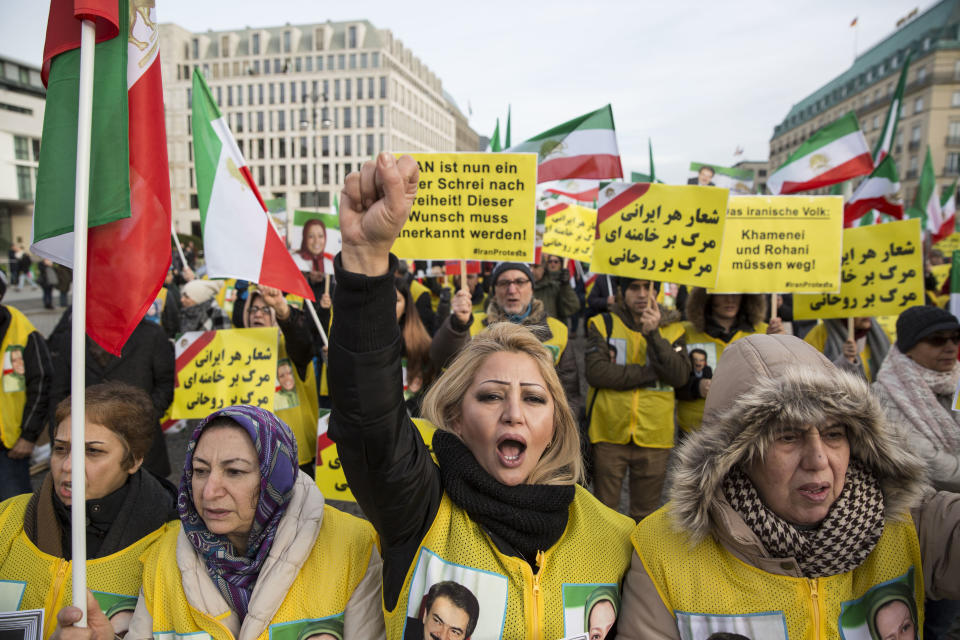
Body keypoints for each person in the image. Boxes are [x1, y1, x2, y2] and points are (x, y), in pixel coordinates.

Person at [328, 152, 635, 639]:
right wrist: (365, 262)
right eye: (491, 397)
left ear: (557, 420)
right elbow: (369, 419)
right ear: (455, 415)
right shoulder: (418, 511)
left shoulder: (617, 538)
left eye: (534, 399)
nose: (514, 413)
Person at [617, 333, 960, 638]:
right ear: (738, 455)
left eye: (833, 434)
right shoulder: (663, 550)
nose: (818, 459)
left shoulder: (910, 520)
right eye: (788, 437)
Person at [123, 405, 384, 639]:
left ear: (275, 476)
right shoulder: (163, 557)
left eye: (234, 471)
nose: (209, 491)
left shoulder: (351, 546)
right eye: (201, 471)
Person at [0, 382, 177, 639]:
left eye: (93, 451)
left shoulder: (171, 544)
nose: (68, 465)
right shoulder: (7, 518)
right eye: (61, 448)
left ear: (134, 459)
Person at [585, 277, 690, 521]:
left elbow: (679, 375)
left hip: (655, 435)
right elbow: (597, 373)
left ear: (657, 290)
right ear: (621, 291)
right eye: (634, 287)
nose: (642, 294)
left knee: (645, 516)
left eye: (648, 287)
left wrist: (653, 334)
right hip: (608, 432)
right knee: (605, 514)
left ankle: (638, 560)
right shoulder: (602, 323)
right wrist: (652, 372)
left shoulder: (674, 329)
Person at [431, 260, 583, 420]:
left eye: (520, 282)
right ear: (494, 291)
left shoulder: (557, 330)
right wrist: (457, 325)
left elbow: (569, 392)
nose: (512, 290)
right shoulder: (471, 323)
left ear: (532, 287)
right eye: (504, 283)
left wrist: (557, 434)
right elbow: (442, 359)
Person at [48, 315, 175, 478]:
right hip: (85, 446)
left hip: (141, 443)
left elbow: (166, 382)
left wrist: (144, 416)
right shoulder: (71, 337)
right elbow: (59, 392)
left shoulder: (150, 334)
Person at [231, 286, 321, 473]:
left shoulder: (288, 346)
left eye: (265, 310)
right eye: (253, 309)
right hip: (250, 452)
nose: (258, 315)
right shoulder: (236, 350)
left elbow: (303, 344)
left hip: (293, 454)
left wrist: (283, 311)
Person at [874, 306, 960, 495]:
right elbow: (929, 465)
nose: (951, 347)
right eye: (937, 339)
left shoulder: (956, 378)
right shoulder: (886, 396)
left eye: (956, 337)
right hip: (927, 508)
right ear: (908, 348)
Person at [674, 288, 780, 434]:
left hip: (748, 432)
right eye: (722, 293)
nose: (730, 299)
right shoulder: (684, 332)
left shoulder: (766, 332)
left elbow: (781, 382)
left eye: (736, 293)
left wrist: (782, 344)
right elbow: (671, 379)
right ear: (707, 296)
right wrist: (696, 386)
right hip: (696, 433)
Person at [0, 271, 53, 501]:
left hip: (9, 446)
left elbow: (41, 383)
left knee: (13, 513)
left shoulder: (22, 332)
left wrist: (28, 436)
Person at [804, 316, 890, 382]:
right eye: (858, 309)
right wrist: (844, 362)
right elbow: (810, 380)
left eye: (866, 307)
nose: (865, 314)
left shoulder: (882, 335)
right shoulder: (818, 336)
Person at [396, 279, 436, 417]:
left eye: (395, 300)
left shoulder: (420, 341)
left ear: (406, 304)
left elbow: (430, 390)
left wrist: (412, 407)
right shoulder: (366, 340)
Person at [403, 581, 479, 640]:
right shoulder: (397, 630)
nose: (442, 636)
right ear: (425, 615)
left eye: (454, 631)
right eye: (437, 621)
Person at [291, 218, 334, 302]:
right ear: (304, 237)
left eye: (320, 236)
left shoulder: (329, 264)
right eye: (311, 236)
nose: (316, 241)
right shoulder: (295, 260)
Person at [533, 253, 580, 322]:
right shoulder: (519, 286)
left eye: (556, 262)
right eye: (550, 261)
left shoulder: (558, 284)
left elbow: (572, 307)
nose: (553, 264)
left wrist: (565, 285)